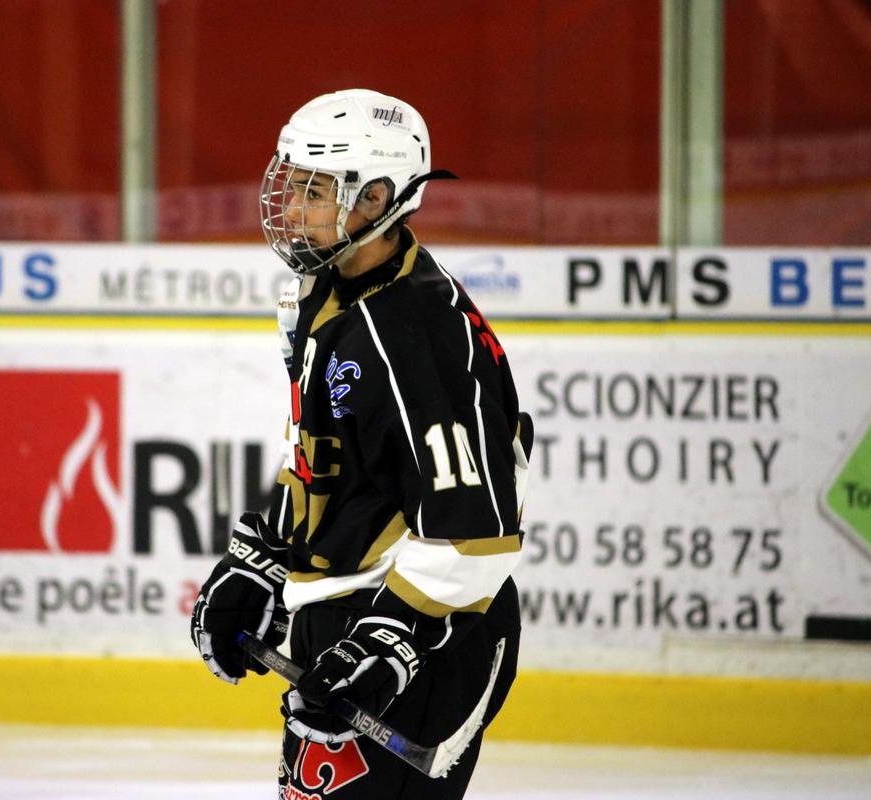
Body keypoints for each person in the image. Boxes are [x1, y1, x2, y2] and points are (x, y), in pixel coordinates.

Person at [190, 88, 529, 799]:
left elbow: (476, 533)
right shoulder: (326, 289)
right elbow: (323, 458)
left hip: (426, 637)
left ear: (377, 199)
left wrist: (385, 644)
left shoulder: (413, 333)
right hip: (348, 620)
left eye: (316, 189)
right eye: (292, 182)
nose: (291, 206)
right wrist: (263, 561)